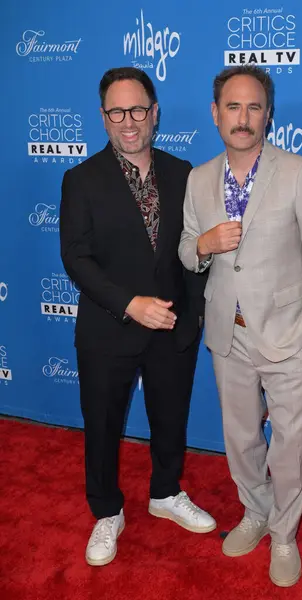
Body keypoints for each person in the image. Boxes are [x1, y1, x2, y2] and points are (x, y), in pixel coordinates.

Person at [179, 65, 302, 587]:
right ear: (215, 113)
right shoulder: (199, 179)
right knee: (241, 437)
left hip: (290, 335)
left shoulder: (299, 172)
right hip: (229, 334)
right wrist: (203, 245)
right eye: (233, 107)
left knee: (291, 445)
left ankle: (286, 533)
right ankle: (256, 511)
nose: (242, 118)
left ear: (268, 114)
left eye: (253, 107)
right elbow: (185, 249)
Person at [60, 67, 216, 567]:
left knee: (171, 416)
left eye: (138, 110)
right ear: (104, 117)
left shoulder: (183, 172)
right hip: (109, 327)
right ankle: (107, 510)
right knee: (101, 425)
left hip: (172, 326)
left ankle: (166, 492)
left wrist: (192, 316)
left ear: (155, 113)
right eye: (117, 111)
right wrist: (130, 304)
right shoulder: (80, 179)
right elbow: (76, 257)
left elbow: (192, 249)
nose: (129, 122)